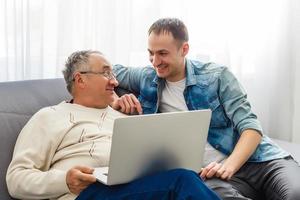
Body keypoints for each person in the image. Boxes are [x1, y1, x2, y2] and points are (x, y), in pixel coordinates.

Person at [112, 18, 300, 200]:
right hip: (212, 175)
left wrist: (229, 166)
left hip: (262, 161)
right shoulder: (147, 77)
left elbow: (251, 128)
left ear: (184, 49)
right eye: (150, 53)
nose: (155, 61)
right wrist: (114, 99)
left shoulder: (216, 76)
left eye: (162, 53)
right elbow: (106, 72)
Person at [6, 50, 221, 200]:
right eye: (106, 73)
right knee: (181, 181)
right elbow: (16, 179)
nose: (115, 81)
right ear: (80, 80)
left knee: (187, 175)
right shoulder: (50, 116)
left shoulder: (123, 118)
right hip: (85, 194)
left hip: (133, 188)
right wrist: (65, 180)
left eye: (113, 74)